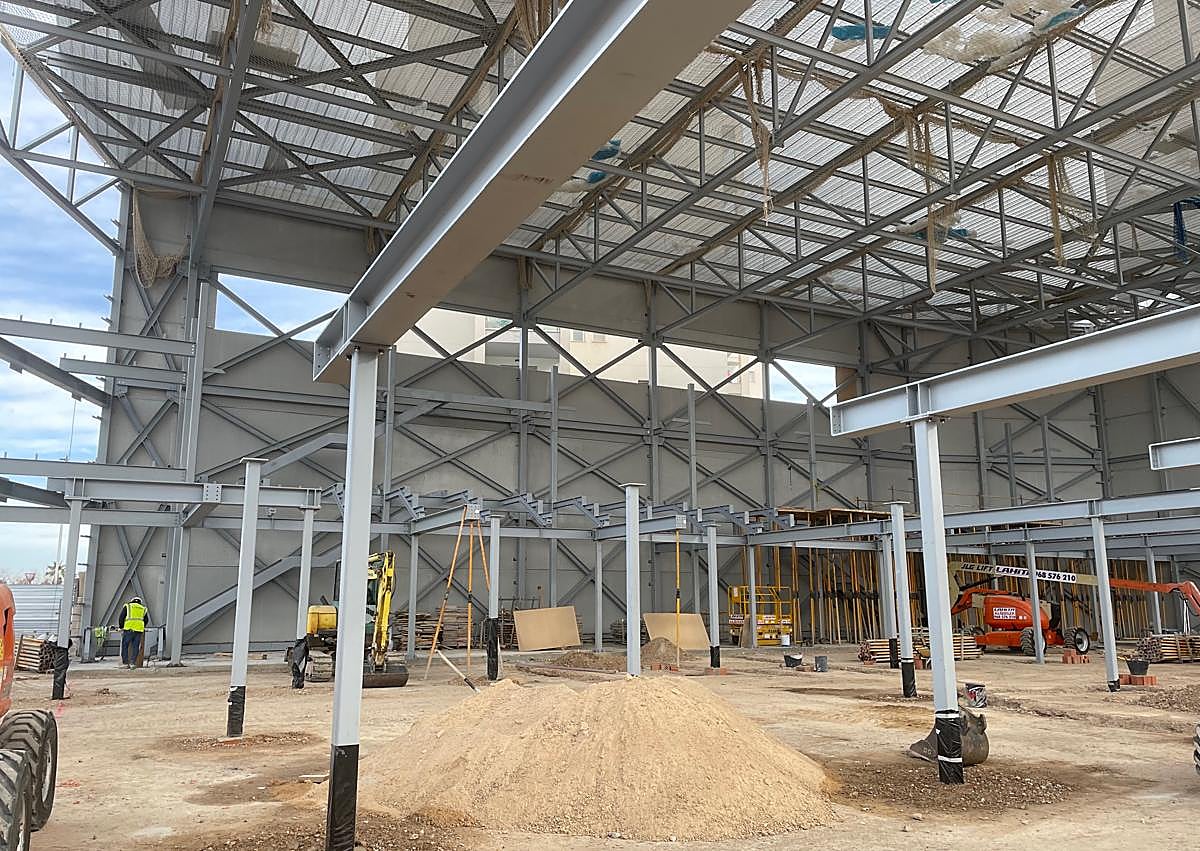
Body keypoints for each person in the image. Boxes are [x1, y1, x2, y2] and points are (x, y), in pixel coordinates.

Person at [118, 596, 148, 669]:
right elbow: (146, 620)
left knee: (125, 646)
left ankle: (125, 663)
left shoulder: (128, 606)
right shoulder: (143, 608)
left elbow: (121, 617)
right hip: (139, 630)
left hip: (129, 629)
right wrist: (141, 626)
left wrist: (121, 626)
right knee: (135, 647)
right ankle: (133, 663)